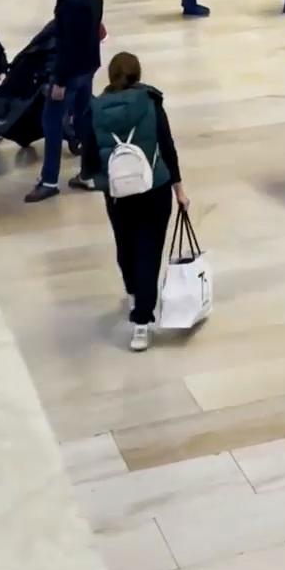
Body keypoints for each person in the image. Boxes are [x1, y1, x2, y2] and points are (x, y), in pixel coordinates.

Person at [80, 51, 189, 352]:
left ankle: (131, 291)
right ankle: (142, 322)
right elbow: (167, 145)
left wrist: (99, 178)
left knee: (125, 243)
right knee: (149, 251)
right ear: (138, 74)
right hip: (155, 186)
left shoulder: (96, 109)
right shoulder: (151, 102)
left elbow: (88, 157)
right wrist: (179, 189)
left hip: (117, 192)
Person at [25, 0, 104, 203]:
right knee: (83, 118)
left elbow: (68, 45)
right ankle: (89, 173)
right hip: (89, 66)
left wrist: (59, 80)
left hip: (71, 72)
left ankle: (49, 181)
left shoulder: (70, 2)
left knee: (52, 122)